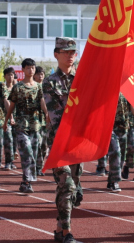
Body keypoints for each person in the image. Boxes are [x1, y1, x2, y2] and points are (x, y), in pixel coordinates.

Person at [43, 37, 82, 243]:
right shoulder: (50, 82)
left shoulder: (82, 79)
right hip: (59, 142)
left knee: (70, 189)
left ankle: (59, 229)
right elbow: (56, 116)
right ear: (56, 54)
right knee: (67, 185)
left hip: (78, 142)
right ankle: (67, 233)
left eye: (73, 52)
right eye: (65, 52)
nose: (70, 55)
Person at [5, 58, 48, 193]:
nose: (31, 70)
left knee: (34, 155)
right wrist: (7, 120)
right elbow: (12, 105)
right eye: (28, 68)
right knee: (27, 153)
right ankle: (27, 179)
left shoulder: (38, 87)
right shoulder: (18, 87)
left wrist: (47, 114)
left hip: (36, 125)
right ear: (23, 70)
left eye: (33, 68)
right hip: (21, 125)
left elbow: (42, 102)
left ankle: (26, 181)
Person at [106, 93, 131, 193]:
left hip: (123, 127)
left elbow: (131, 108)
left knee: (121, 156)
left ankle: (111, 178)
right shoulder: (108, 90)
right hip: (110, 127)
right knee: (116, 151)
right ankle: (115, 181)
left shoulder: (127, 90)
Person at [34, 65, 48, 176]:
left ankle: (40, 165)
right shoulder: (33, 87)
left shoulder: (47, 88)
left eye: (42, 74)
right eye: (38, 74)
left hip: (46, 121)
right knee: (37, 144)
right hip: (35, 120)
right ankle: (37, 166)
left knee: (44, 145)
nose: (40, 76)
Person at [2, 67, 16, 170]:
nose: (10, 77)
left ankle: (12, 161)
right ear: (5, 76)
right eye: (8, 75)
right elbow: (6, 103)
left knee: (15, 141)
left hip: (18, 118)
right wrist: (10, 117)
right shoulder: (3, 88)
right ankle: (8, 161)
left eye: (12, 75)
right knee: (8, 140)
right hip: (5, 118)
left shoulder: (17, 88)